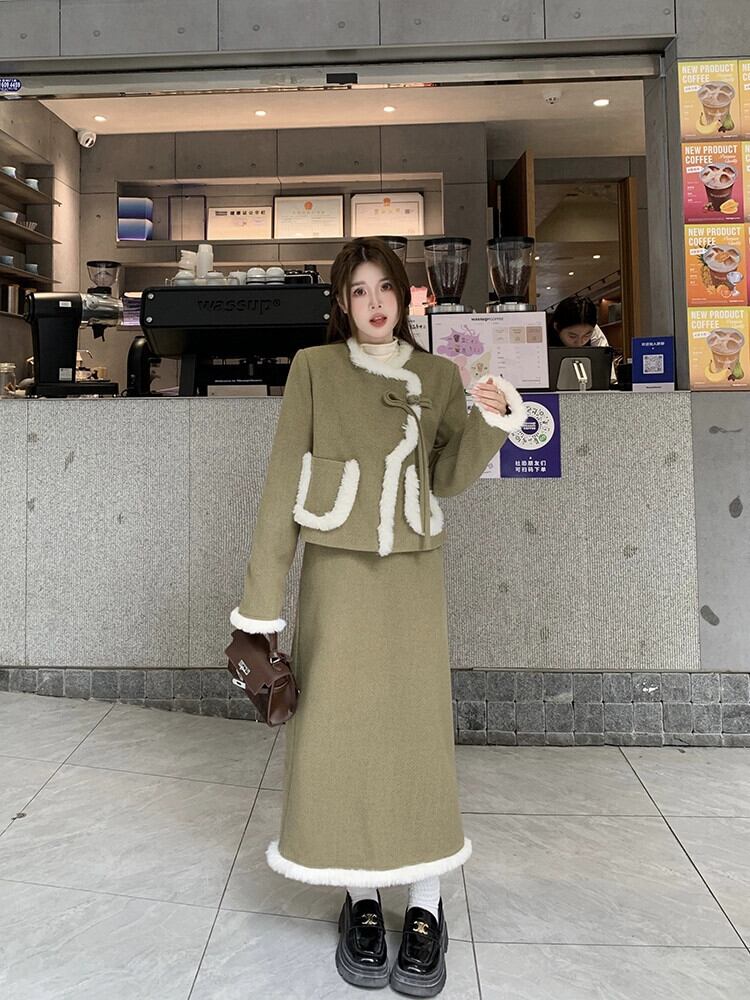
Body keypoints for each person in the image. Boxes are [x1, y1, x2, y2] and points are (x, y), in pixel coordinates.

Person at [230, 237, 527, 997]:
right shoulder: (313, 369)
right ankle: (359, 899)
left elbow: (448, 477)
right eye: (358, 290)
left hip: (411, 580)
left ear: (407, 296)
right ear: (341, 302)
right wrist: (261, 609)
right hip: (336, 577)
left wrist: (493, 419)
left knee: (415, 731)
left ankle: (426, 904)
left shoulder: (438, 375)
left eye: (385, 288)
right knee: (338, 732)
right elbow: (281, 487)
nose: (373, 303)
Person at [547, 295, 617, 384]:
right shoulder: (544, 336)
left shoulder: (594, 330)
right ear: (556, 327)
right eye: (572, 336)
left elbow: (608, 377)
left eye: (587, 335)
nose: (580, 342)